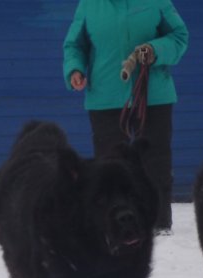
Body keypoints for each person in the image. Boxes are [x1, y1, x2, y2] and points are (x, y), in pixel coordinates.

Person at [63, 0, 189, 232]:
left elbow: (179, 36)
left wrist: (155, 50)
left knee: (155, 162)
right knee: (110, 167)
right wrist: (75, 69)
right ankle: (114, 223)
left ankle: (158, 222)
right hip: (105, 98)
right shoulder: (90, 5)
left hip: (153, 96)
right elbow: (74, 45)